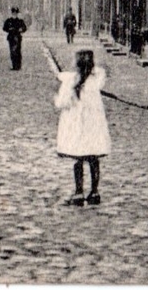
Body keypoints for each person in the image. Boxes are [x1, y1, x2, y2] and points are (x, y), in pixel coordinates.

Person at [46, 45, 110, 206]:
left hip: (77, 125)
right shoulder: (95, 79)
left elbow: (62, 103)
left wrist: (55, 97)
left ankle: (78, 192)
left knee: (79, 158)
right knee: (94, 158)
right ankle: (95, 192)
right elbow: (102, 72)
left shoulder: (70, 81)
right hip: (94, 125)